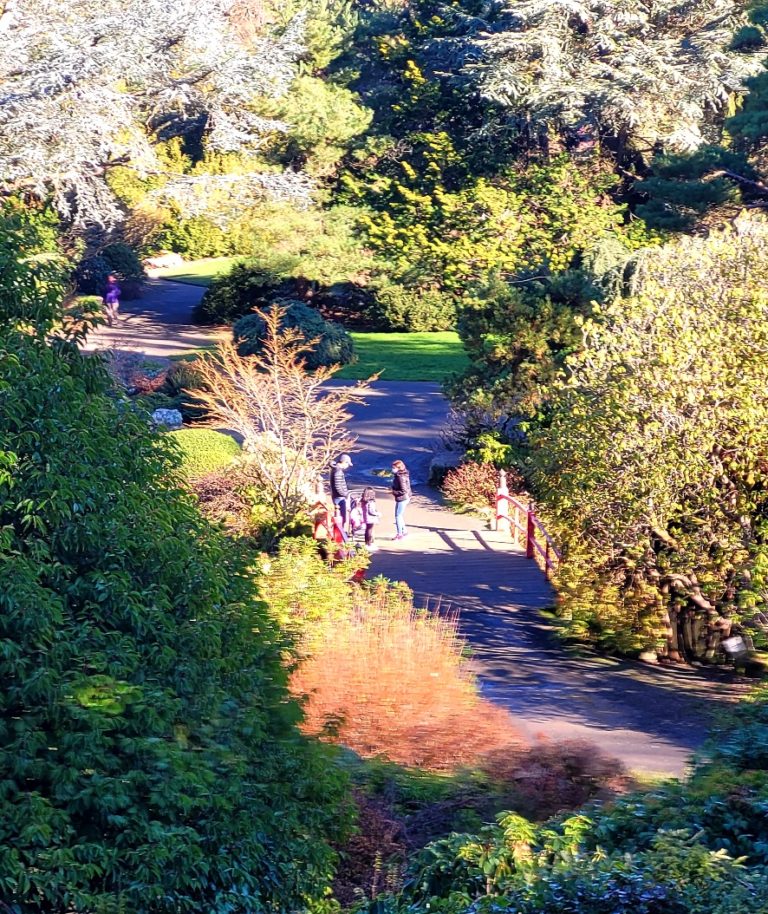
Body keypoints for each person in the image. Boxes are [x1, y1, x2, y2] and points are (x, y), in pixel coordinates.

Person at [329, 453, 352, 530]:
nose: (348, 466)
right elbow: (338, 486)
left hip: (337, 496)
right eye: (347, 464)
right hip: (339, 497)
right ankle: (339, 535)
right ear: (344, 462)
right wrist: (345, 494)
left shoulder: (336, 469)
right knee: (341, 518)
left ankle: (339, 533)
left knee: (340, 517)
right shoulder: (338, 471)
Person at [391, 459, 411, 540]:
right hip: (404, 497)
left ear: (398, 468)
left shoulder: (400, 477)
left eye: (394, 467)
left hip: (402, 498)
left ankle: (400, 534)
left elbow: (403, 490)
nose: (392, 469)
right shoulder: (402, 474)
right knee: (399, 515)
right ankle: (404, 531)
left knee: (398, 516)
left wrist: (393, 492)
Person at [361, 487, 380, 552]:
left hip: (366, 518)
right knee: (370, 531)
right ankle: (369, 544)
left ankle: (367, 543)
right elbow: (371, 511)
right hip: (371, 518)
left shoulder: (363, 501)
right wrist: (378, 514)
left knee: (367, 530)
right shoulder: (371, 502)